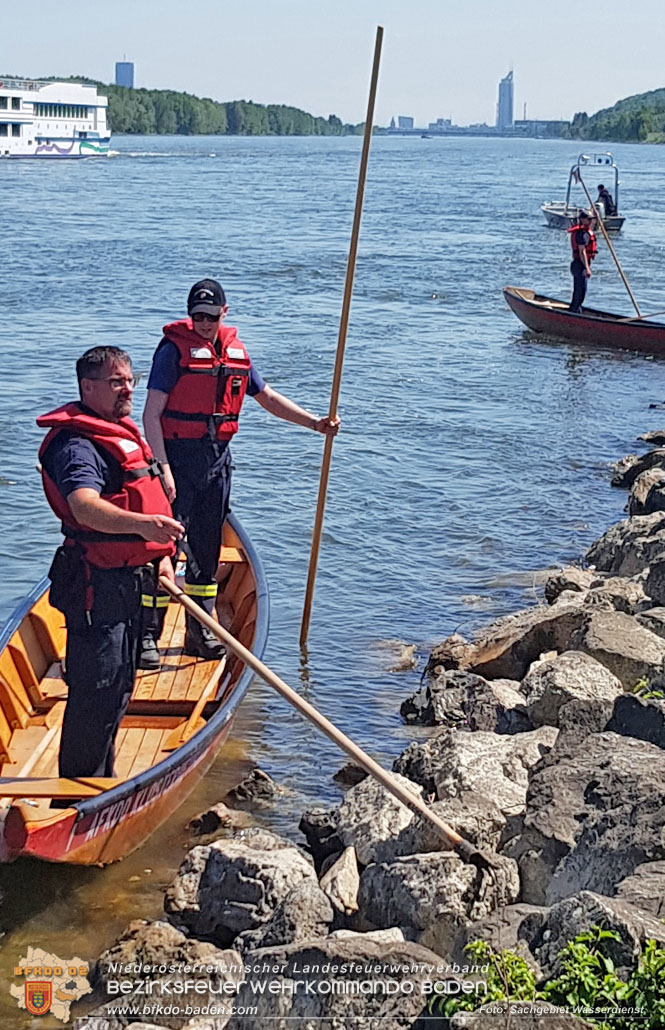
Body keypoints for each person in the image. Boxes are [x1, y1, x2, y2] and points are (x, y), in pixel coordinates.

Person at [140, 278, 340, 667]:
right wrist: (162, 469)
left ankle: (199, 631)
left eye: (211, 317)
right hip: (176, 460)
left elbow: (267, 397)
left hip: (216, 463)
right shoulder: (171, 353)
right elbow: (151, 414)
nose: (203, 323)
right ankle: (148, 634)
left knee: (206, 550)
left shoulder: (235, 353)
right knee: (163, 548)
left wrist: (315, 424)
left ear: (224, 314)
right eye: (197, 316)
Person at [37, 347, 184, 779]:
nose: (127, 389)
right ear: (87, 387)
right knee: (95, 691)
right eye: (116, 382)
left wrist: (159, 557)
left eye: (129, 380)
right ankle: (77, 793)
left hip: (127, 581)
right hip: (93, 586)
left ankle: (100, 783)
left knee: (119, 686)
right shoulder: (77, 446)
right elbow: (85, 507)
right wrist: (145, 527)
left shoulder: (118, 431)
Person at [568, 211, 597, 313]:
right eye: (588, 219)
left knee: (582, 291)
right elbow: (582, 251)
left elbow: (593, 227)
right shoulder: (582, 234)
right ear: (582, 220)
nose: (590, 221)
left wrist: (596, 216)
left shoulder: (587, 232)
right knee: (580, 291)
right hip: (579, 265)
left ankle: (576, 310)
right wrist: (587, 268)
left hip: (581, 264)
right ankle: (574, 312)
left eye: (591, 219)